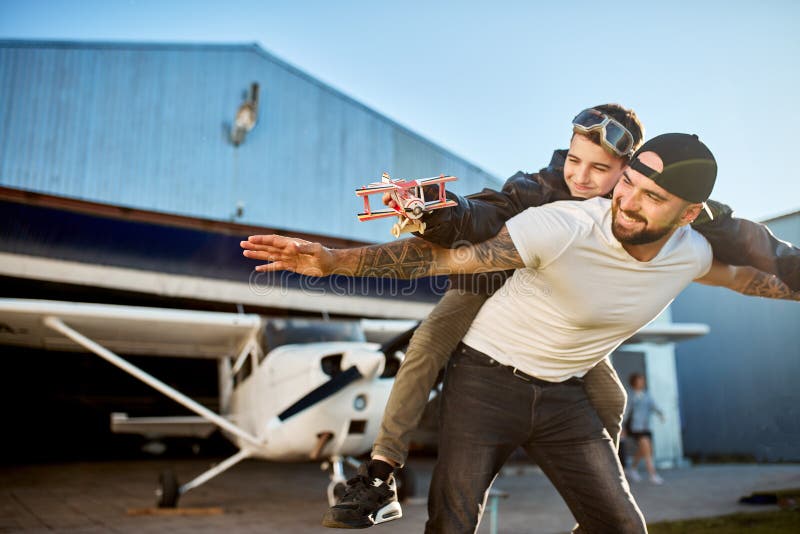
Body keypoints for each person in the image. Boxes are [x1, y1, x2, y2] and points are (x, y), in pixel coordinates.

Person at [242, 133, 800, 532]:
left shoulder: (691, 252)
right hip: (484, 385)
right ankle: (381, 473)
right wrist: (335, 262)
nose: (624, 202)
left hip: (566, 396)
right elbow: (449, 259)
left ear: (688, 214)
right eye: (627, 184)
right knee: (454, 522)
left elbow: (750, 279)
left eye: (652, 198)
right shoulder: (559, 223)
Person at [623, 373, 665, 484]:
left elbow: (654, 406)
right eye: (639, 380)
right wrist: (622, 426)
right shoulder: (630, 395)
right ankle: (653, 475)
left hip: (646, 427)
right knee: (647, 450)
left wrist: (661, 414)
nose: (642, 382)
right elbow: (626, 412)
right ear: (634, 382)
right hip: (635, 427)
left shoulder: (647, 395)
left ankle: (631, 469)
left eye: (643, 380)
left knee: (644, 450)